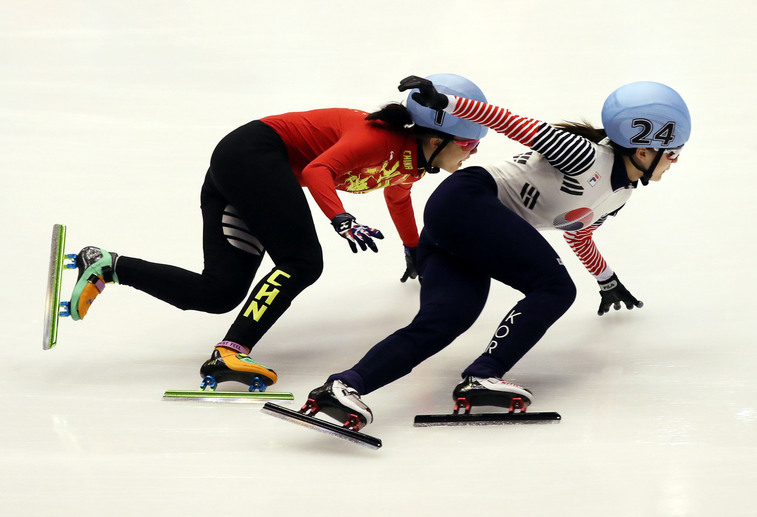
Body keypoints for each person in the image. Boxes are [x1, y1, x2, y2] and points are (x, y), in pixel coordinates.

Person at [305, 77, 691, 429]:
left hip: (463, 222)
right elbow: (509, 121)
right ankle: (483, 375)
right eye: (672, 153)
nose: (675, 162)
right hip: (469, 200)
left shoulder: (619, 195)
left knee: (445, 320)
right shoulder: (584, 155)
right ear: (644, 149)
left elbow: (579, 233)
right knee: (554, 287)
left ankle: (344, 385)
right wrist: (447, 103)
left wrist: (606, 280)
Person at [67, 74, 489, 390]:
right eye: (470, 144)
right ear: (437, 137)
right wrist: (340, 218)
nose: (473, 153)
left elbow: (398, 197)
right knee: (303, 262)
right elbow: (317, 169)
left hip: (246, 168)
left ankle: (108, 266)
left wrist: (413, 249)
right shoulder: (377, 137)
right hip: (254, 155)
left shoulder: (411, 162)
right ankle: (230, 354)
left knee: (219, 292)